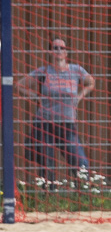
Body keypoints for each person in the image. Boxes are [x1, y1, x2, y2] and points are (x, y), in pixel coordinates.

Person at [17, 37, 95, 182]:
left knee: (80, 161)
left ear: (66, 52)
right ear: (50, 52)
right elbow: (20, 85)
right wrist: (36, 97)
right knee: (47, 163)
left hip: (67, 123)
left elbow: (91, 82)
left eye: (62, 48)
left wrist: (79, 96)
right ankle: (47, 193)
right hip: (45, 123)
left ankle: (84, 192)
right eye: (55, 48)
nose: (58, 50)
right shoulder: (44, 71)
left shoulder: (76, 70)